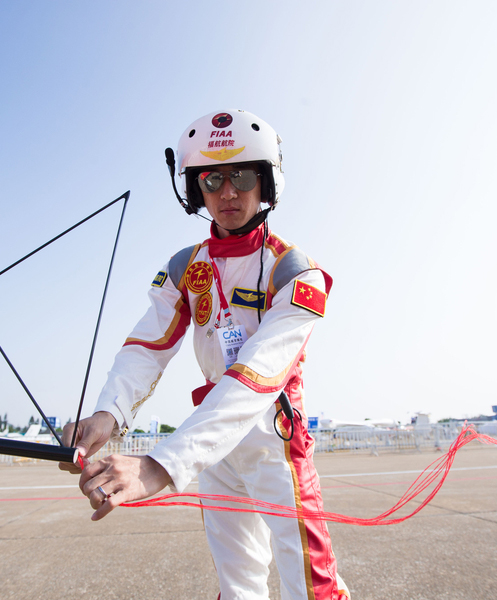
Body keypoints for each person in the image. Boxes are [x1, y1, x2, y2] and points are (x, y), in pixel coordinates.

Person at [60, 110, 349, 600]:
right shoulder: (183, 267)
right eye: (212, 179)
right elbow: (146, 348)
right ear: (195, 190)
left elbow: (257, 376)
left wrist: (162, 464)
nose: (227, 192)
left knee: (311, 585)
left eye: (241, 176)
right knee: (237, 587)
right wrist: (107, 415)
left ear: (266, 182)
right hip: (213, 444)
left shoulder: (297, 271)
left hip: (273, 440)